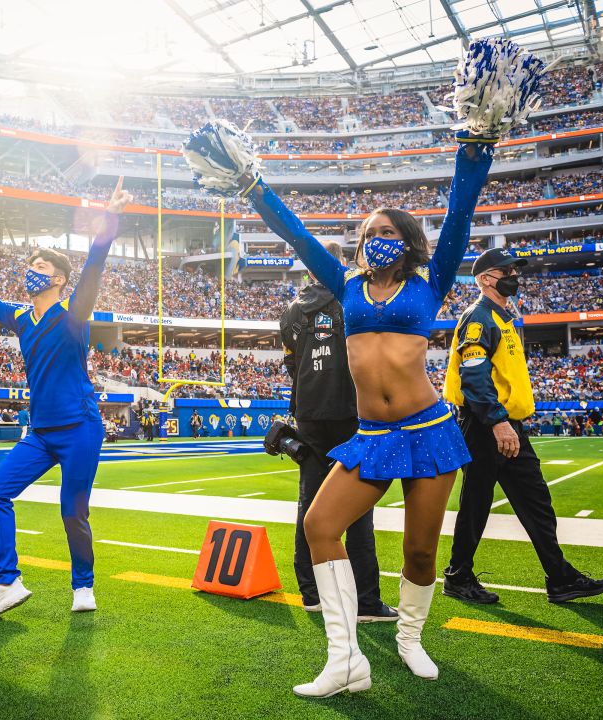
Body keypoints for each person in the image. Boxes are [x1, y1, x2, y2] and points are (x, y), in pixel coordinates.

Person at [237, 129, 496, 695]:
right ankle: (345, 657)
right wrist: (252, 188)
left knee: (421, 550)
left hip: (426, 428)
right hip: (373, 433)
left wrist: (473, 154)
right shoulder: (346, 284)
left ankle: (409, 638)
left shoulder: (431, 283)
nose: (375, 239)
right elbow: (299, 237)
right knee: (319, 525)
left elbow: (458, 217)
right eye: (367, 233)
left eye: (386, 231)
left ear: (405, 240)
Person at [0, 179, 131, 619]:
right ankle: (7, 581)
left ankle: (83, 583)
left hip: (80, 429)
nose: (29, 269)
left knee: (73, 512)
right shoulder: (20, 317)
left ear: (56, 278)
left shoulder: (74, 313)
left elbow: (93, 267)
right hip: (40, 434)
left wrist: (108, 220)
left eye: (37, 264)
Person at [442, 248, 603, 604]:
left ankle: (560, 577)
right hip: (487, 424)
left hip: (507, 423)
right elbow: (473, 376)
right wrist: (498, 423)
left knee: (536, 502)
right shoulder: (479, 317)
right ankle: (458, 576)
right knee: (477, 503)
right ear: (486, 278)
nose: (514, 275)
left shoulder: (502, 317)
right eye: (506, 270)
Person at [281, 240, 396, 624]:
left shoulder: (292, 311)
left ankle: (312, 593)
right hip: (352, 414)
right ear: (340, 264)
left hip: (310, 415)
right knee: (358, 510)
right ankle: (365, 599)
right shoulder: (353, 299)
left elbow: (292, 365)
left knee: (309, 507)